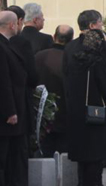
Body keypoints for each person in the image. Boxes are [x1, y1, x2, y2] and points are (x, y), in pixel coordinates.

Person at [63, 27, 106, 186]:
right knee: (95, 158)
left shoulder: (74, 60)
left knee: (82, 158)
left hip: (76, 113)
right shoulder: (97, 62)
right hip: (95, 113)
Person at [35, 24, 74, 157]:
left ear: (54, 37)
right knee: (64, 154)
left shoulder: (40, 56)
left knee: (45, 153)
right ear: (71, 40)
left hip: (43, 114)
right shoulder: (73, 59)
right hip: (66, 113)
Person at [0, 10, 29, 186]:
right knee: (5, 157)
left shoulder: (7, 45)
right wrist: (10, 111)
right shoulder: (2, 47)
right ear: (12, 25)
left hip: (13, 109)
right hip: (7, 114)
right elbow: (4, 81)